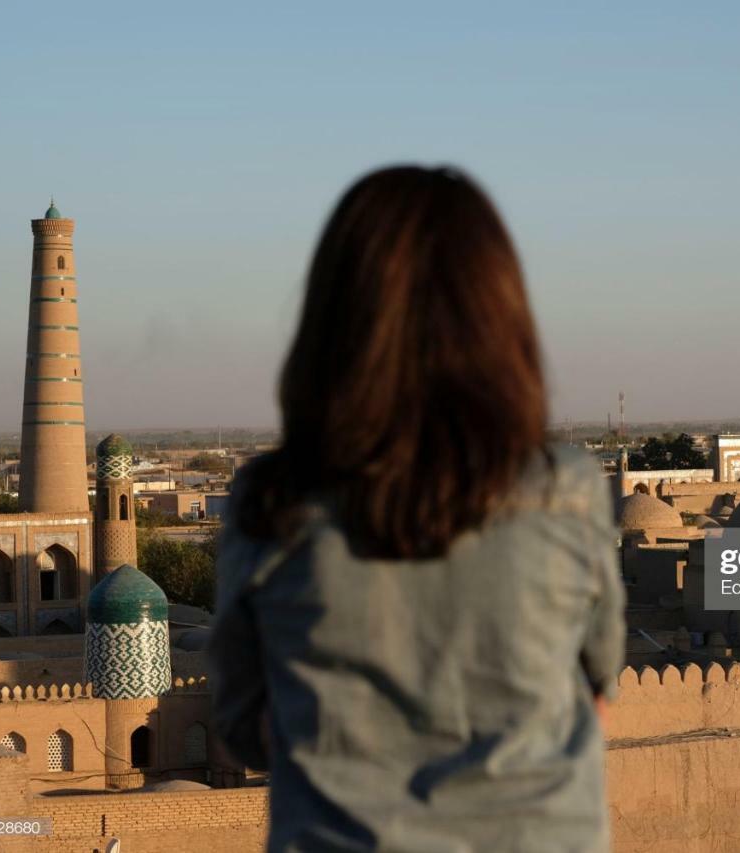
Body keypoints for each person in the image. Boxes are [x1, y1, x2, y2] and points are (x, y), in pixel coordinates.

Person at [207, 166, 625, 853]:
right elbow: (595, 689)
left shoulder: (271, 504)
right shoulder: (566, 489)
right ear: (502, 319)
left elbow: (244, 724)